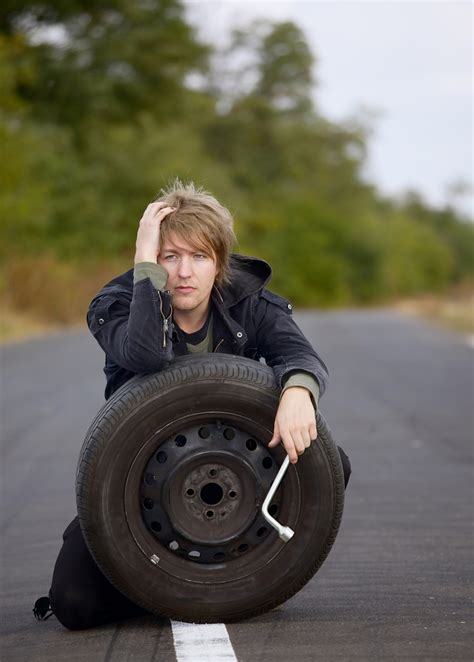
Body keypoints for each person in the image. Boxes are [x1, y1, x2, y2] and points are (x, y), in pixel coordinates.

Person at [33, 180, 351, 630]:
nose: (185, 272)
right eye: (170, 257)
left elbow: (299, 355)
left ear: (219, 264)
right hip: (133, 482)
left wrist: (299, 391)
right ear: (153, 261)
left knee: (330, 460)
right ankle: (184, 588)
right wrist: (145, 264)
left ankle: (252, 573)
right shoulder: (117, 305)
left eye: (199, 257)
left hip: (237, 464)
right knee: (74, 603)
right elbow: (145, 355)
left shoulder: (246, 300)